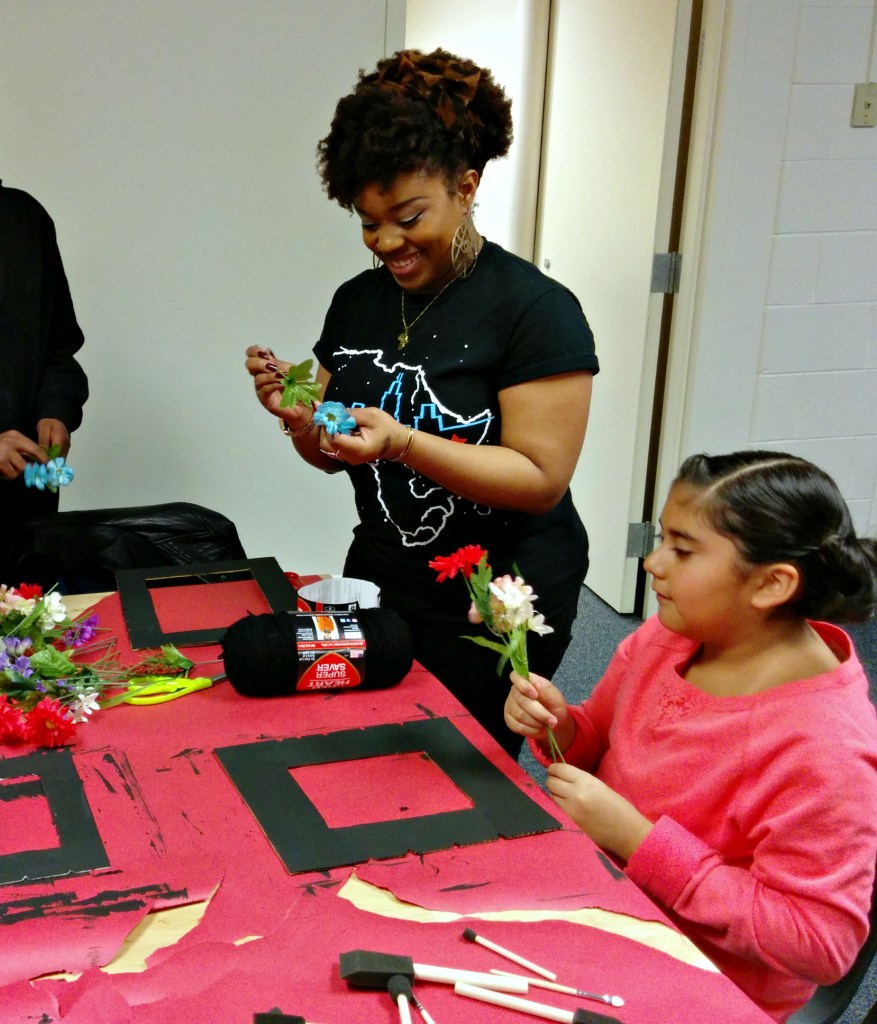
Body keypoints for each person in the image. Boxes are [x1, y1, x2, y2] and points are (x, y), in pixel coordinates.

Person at [246, 49, 598, 755]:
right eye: (367, 221)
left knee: (465, 774)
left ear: (465, 187)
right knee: (366, 754)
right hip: (387, 575)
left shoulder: (534, 310)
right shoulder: (356, 303)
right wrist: (303, 421)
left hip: (497, 595)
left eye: (407, 216)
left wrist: (405, 441)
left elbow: (538, 480)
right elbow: (331, 451)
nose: (386, 243)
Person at [504, 449, 877, 1022]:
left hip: (701, 984)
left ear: (772, 583)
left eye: (682, 549)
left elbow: (819, 944)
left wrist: (638, 841)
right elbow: (603, 738)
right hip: (598, 901)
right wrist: (563, 727)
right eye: (660, 539)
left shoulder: (825, 748)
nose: (652, 562)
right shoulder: (670, 635)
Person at [0, 181, 88, 585]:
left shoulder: (24, 220)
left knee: (27, 640)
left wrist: (57, 408)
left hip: (22, 506)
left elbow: (58, 343)